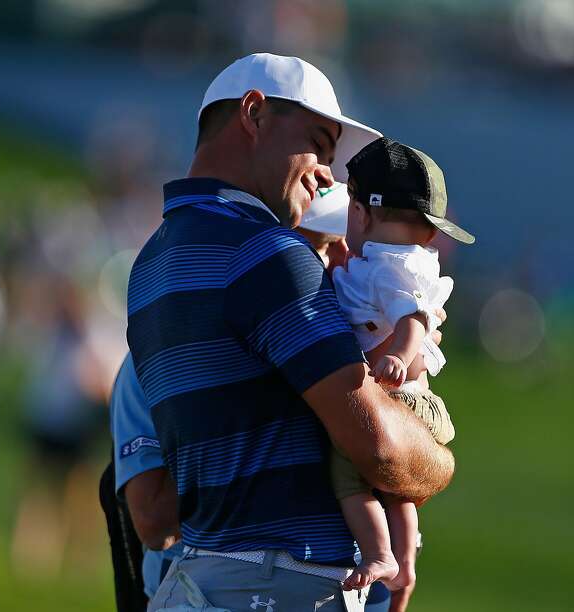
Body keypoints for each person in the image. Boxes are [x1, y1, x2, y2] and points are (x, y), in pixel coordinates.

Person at [124, 53, 455, 611]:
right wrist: (440, 457)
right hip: (279, 587)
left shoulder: (152, 261)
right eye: (320, 145)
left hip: (199, 584)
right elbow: (378, 448)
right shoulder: (266, 252)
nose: (329, 174)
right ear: (253, 113)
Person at [104, 187, 402, 611]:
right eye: (320, 246)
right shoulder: (148, 361)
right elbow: (153, 523)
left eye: (351, 249)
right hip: (208, 594)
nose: (342, 265)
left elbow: (403, 462)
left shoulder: (356, 353)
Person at [330, 137, 474, 591]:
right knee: (397, 493)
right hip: (416, 400)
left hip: (403, 398)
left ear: (361, 212)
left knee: (347, 477)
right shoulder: (394, 261)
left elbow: (412, 319)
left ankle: (380, 556)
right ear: (432, 232)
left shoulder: (392, 265)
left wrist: (396, 354)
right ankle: (406, 565)